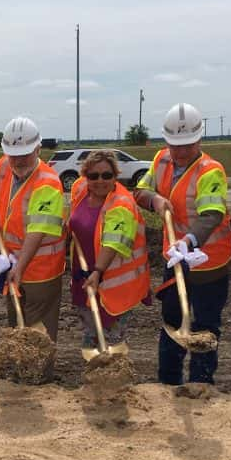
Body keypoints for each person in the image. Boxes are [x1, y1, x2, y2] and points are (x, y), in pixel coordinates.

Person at [135, 102, 231, 387]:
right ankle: (168, 383)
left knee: (204, 326)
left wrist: (189, 242)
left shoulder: (210, 171)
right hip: (174, 259)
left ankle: (201, 384)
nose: (179, 152)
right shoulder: (160, 160)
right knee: (172, 322)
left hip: (208, 261)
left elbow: (211, 215)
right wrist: (153, 199)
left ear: (199, 139)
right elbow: (140, 190)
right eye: (174, 145)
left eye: (186, 145)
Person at [0, 116, 66, 375]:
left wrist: (19, 268)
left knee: (38, 326)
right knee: (17, 321)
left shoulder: (48, 183)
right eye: (12, 155)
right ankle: (20, 373)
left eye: (25, 155)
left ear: (38, 150)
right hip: (12, 261)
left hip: (41, 268)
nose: (18, 161)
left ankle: (40, 378)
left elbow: (38, 231)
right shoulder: (4, 166)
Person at [68, 150, 150, 351]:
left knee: (112, 339)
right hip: (84, 276)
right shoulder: (80, 190)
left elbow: (112, 243)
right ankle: (93, 378)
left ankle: (113, 379)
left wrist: (97, 271)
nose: (100, 181)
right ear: (85, 176)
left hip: (114, 284)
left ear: (116, 175)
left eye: (107, 175)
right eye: (93, 176)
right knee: (90, 335)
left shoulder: (121, 204)